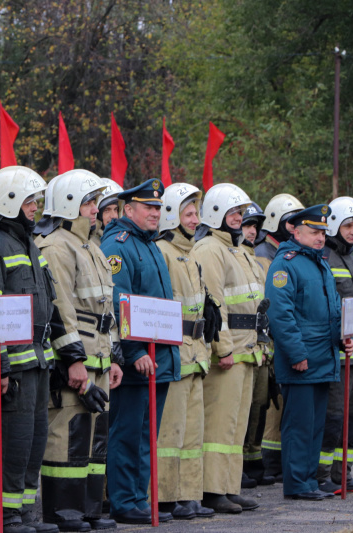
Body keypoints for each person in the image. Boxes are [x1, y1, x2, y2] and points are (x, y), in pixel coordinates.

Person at [0, 166, 61, 533]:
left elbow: (49, 302)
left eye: (37, 201)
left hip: (38, 361)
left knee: (33, 441)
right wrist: (2, 368)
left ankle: (24, 512)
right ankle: (4, 516)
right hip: (15, 366)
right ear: (9, 202)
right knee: (10, 443)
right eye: (29, 201)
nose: (35, 208)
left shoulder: (28, 243)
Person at [37, 169, 123, 531]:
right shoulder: (57, 246)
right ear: (69, 204)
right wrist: (72, 360)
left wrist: (115, 355)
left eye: (95, 203)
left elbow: (106, 308)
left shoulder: (93, 247)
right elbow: (61, 309)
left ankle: (89, 511)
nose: (94, 209)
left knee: (94, 435)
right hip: (77, 361)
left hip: (100, 358)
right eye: (89, 202)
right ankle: (64, 513)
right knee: (67, 436)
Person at [100, 178, 180, 525]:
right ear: (128, 209)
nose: (155, 213)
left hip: (159, 355)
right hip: (139, 359)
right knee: (128, 433)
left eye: (158, 208)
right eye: (148, 207)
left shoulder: (149, 245)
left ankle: (139, 497)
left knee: (147, 435)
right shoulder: (119, 246)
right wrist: (132, 353)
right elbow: (120, 300)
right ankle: (123, 500)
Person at [266, 204, 353, 500]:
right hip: (302, 360)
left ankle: (309, 482)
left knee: (315, 426)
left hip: (323, 357)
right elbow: (281, 315)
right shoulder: (286, 264)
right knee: (299, 426)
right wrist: (296, 354)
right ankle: (297, 484)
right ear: (296, 230)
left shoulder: (319, 262)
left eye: (323, 232)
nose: (320, 237)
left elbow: (331, 311)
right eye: (315, 231)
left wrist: (344, 339)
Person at [191, 183, 266, 514]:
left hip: (246, 351)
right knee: (219, 424)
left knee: (235, 425)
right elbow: (214, 305)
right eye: (234, 212)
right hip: (230, 353)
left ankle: (228, 486)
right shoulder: (210, 249)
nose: (239, 218)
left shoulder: (236, 249)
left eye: (240, 213)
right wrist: (222, 349)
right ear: (217, 213)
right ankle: (211, 489)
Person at [154, 183, 215, 520]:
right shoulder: (164, 251)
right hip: (176, 351)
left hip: (196, 353)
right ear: (171, 216)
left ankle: (189, 494)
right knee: (170, 430)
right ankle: (165, 495)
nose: (195, 219)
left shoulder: (190, 253)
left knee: (192, 432)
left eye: (196, 213)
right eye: (188, 213)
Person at [315, 197, 353, 494]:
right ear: (335, 225)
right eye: (349, 226)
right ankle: (321, 476)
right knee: (333, 416)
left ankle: (343, 474)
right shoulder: (325, 257)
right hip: (335, 353)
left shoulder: (352, 258)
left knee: (351, 418)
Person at [256, 193, 304, 480]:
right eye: (292, 223)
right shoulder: (266, 256)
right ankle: (271, 464)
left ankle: (274, 464)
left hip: (280, 340)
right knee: (272, 404)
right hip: (271, 342)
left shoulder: (282, 254)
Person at [239, 203, 276, 488]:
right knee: (240, 409)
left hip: (260, 346)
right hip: (239, 348)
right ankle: (238, 464)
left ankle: (252, 460)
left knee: (258, 404)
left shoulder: (253, 258)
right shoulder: (233, 257)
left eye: (255, 226)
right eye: (247, 225)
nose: (252, 231)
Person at [91, 178, 123, 247]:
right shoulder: (91, 243)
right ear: (97, 214)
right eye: (107, 210)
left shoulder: (122, 238)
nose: (113, 216)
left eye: (115, 209)